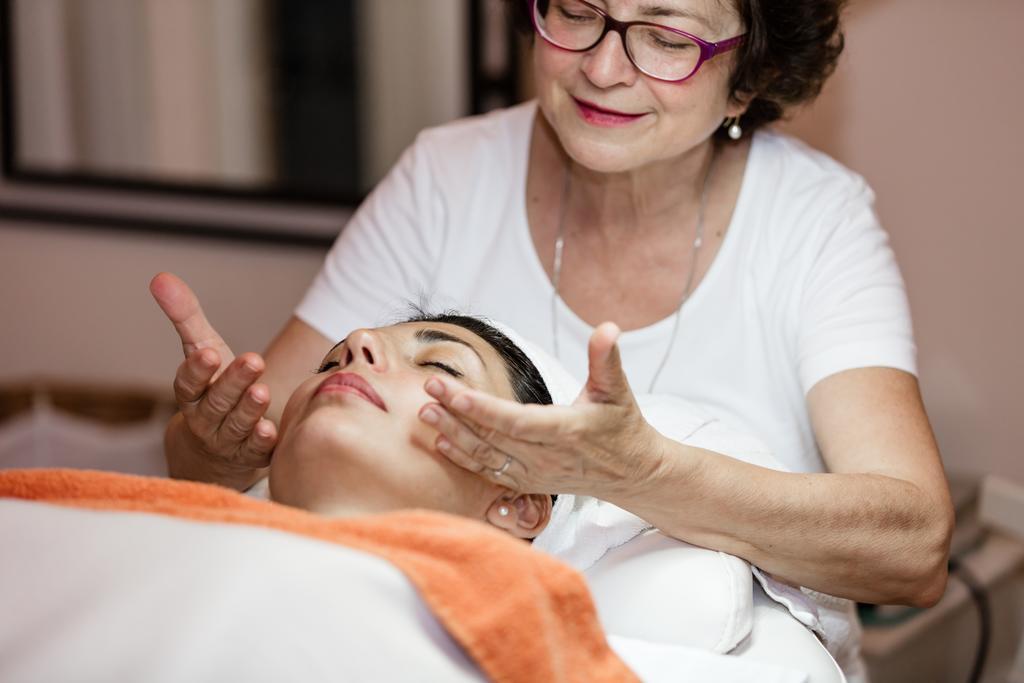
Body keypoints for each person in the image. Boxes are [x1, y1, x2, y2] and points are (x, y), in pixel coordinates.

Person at [152, 0, 954, 675]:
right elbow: (252, 455)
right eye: (576, 10)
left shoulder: (814, 223)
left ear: (752, 77)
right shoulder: (447, 179)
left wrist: (641, 474)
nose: (603, 69)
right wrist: (210, 446)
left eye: (667, 38)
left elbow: (914, 549)